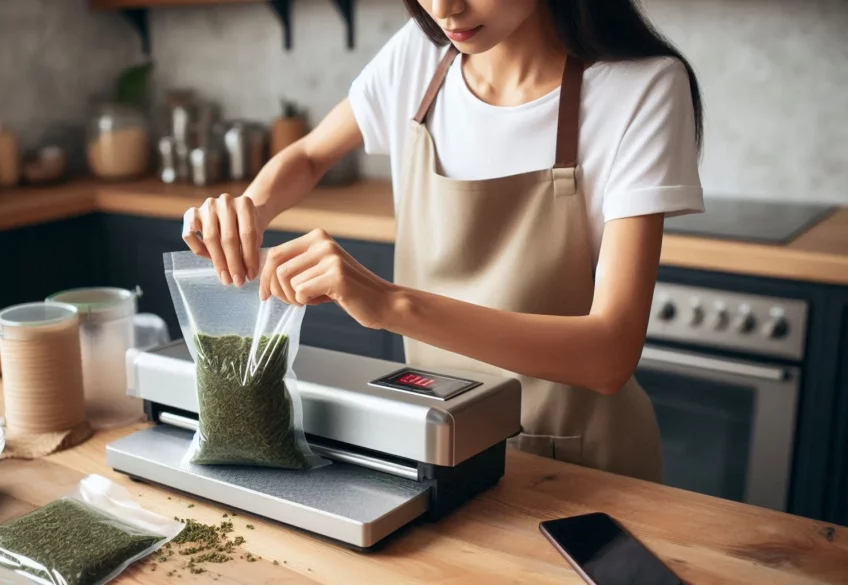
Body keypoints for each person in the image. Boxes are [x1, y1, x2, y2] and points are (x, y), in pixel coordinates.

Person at [181, 0, 704, 482]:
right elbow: (311, 155)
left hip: (578, 467)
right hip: (440, 446)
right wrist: (249, 208)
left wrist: (390, 303)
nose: (445, 9)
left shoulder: (641, 87)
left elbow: (609, 357)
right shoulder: (423, 54)